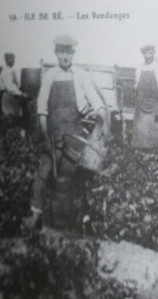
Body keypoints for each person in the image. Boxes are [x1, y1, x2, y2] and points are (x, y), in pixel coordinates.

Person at [31, 35, 107, 223]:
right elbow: (42, 110)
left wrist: (103, 116)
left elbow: (96, 102)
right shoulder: (49, 76)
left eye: (68, 52)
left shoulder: (81, 75)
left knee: (82, 174)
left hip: (74, 134)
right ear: (57, 53)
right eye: (61, 52)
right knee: (43, 172)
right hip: (54, 135)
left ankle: (83, 216)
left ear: (72, 54)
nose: (65, 56)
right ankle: (36, 215)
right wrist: (45, 134)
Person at [132, 44, 158, 150]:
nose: (149, 52)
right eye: (146, 51)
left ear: (154, 52)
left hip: (154, 106)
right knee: (140, 137)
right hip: (140, 107)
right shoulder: (139, 69)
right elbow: (136, 89)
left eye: (151, 51)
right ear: (143, 54)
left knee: (156, 137)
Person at [0, 52, 23, 121]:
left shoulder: (12, 71)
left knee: (16, 115)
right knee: (9, 116)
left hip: (13, 95)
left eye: (13, 59)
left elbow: (17, 84)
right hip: (8, 95)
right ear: (6, 60)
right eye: (11, 59)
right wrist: (21, 94)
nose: (13, 61)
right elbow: (9, 87)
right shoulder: (6, 71)